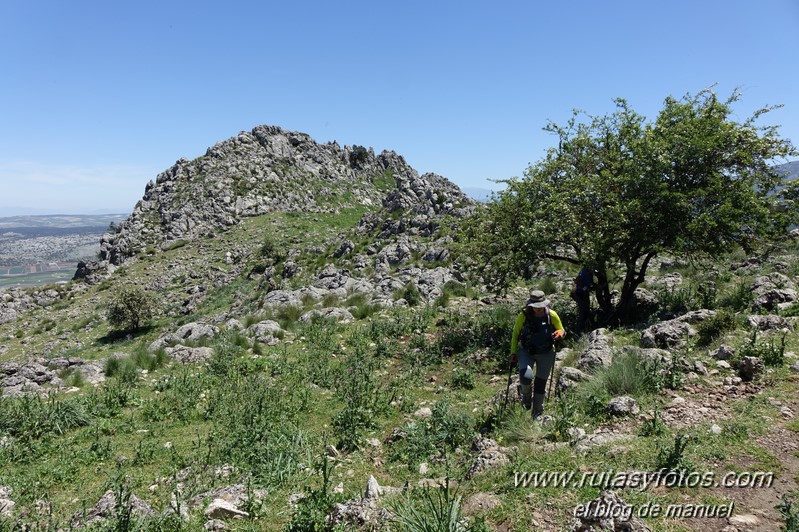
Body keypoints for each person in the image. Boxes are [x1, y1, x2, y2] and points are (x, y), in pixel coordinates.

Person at [509, 290, 565, 418]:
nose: (538, 309)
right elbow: (515, 334)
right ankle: (526, 398)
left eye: (540, 307)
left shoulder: (552, 315)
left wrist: (560, 333)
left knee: (540, 384)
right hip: (526, 352)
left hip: (546, 353)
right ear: (530, 305)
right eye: (535, 307)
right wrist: (513, 353)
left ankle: (537, 413)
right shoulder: (523, 315)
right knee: (526, 376)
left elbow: (561, 329)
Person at [571, 266, 593, 334]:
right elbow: (576, 280)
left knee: (586, 310)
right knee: (582, 311)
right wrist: (583, 287)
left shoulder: (589, 272)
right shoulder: (584, 272)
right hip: (580, 293)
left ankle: (585, 328)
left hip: (584, 293)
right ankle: (578, 330)